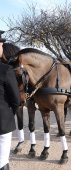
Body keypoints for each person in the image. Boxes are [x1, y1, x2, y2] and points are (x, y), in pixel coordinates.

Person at [0, 30, 20, 170]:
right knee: (2, 160)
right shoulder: (6, 70)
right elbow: (16, 99)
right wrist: (9, 113)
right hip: (2, 121)